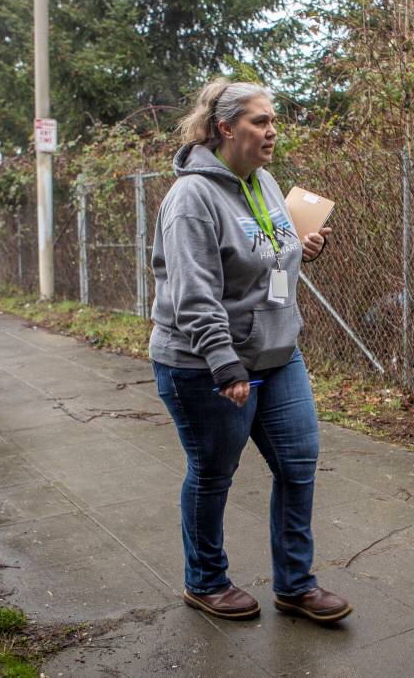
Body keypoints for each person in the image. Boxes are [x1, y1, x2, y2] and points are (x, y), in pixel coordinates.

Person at [149, 78, 348, 623]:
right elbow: (192, 292)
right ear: (225, 127)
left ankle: (296, 585)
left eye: (274, 120)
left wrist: (299, 249)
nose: (272, 131)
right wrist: (223, 361)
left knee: (298, 465)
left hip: (278, 354)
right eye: (261, 121)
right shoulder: (191, 198)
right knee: (214, 472)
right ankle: (205, 580)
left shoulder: (264, 182)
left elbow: (269, 255)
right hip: (205, 363)